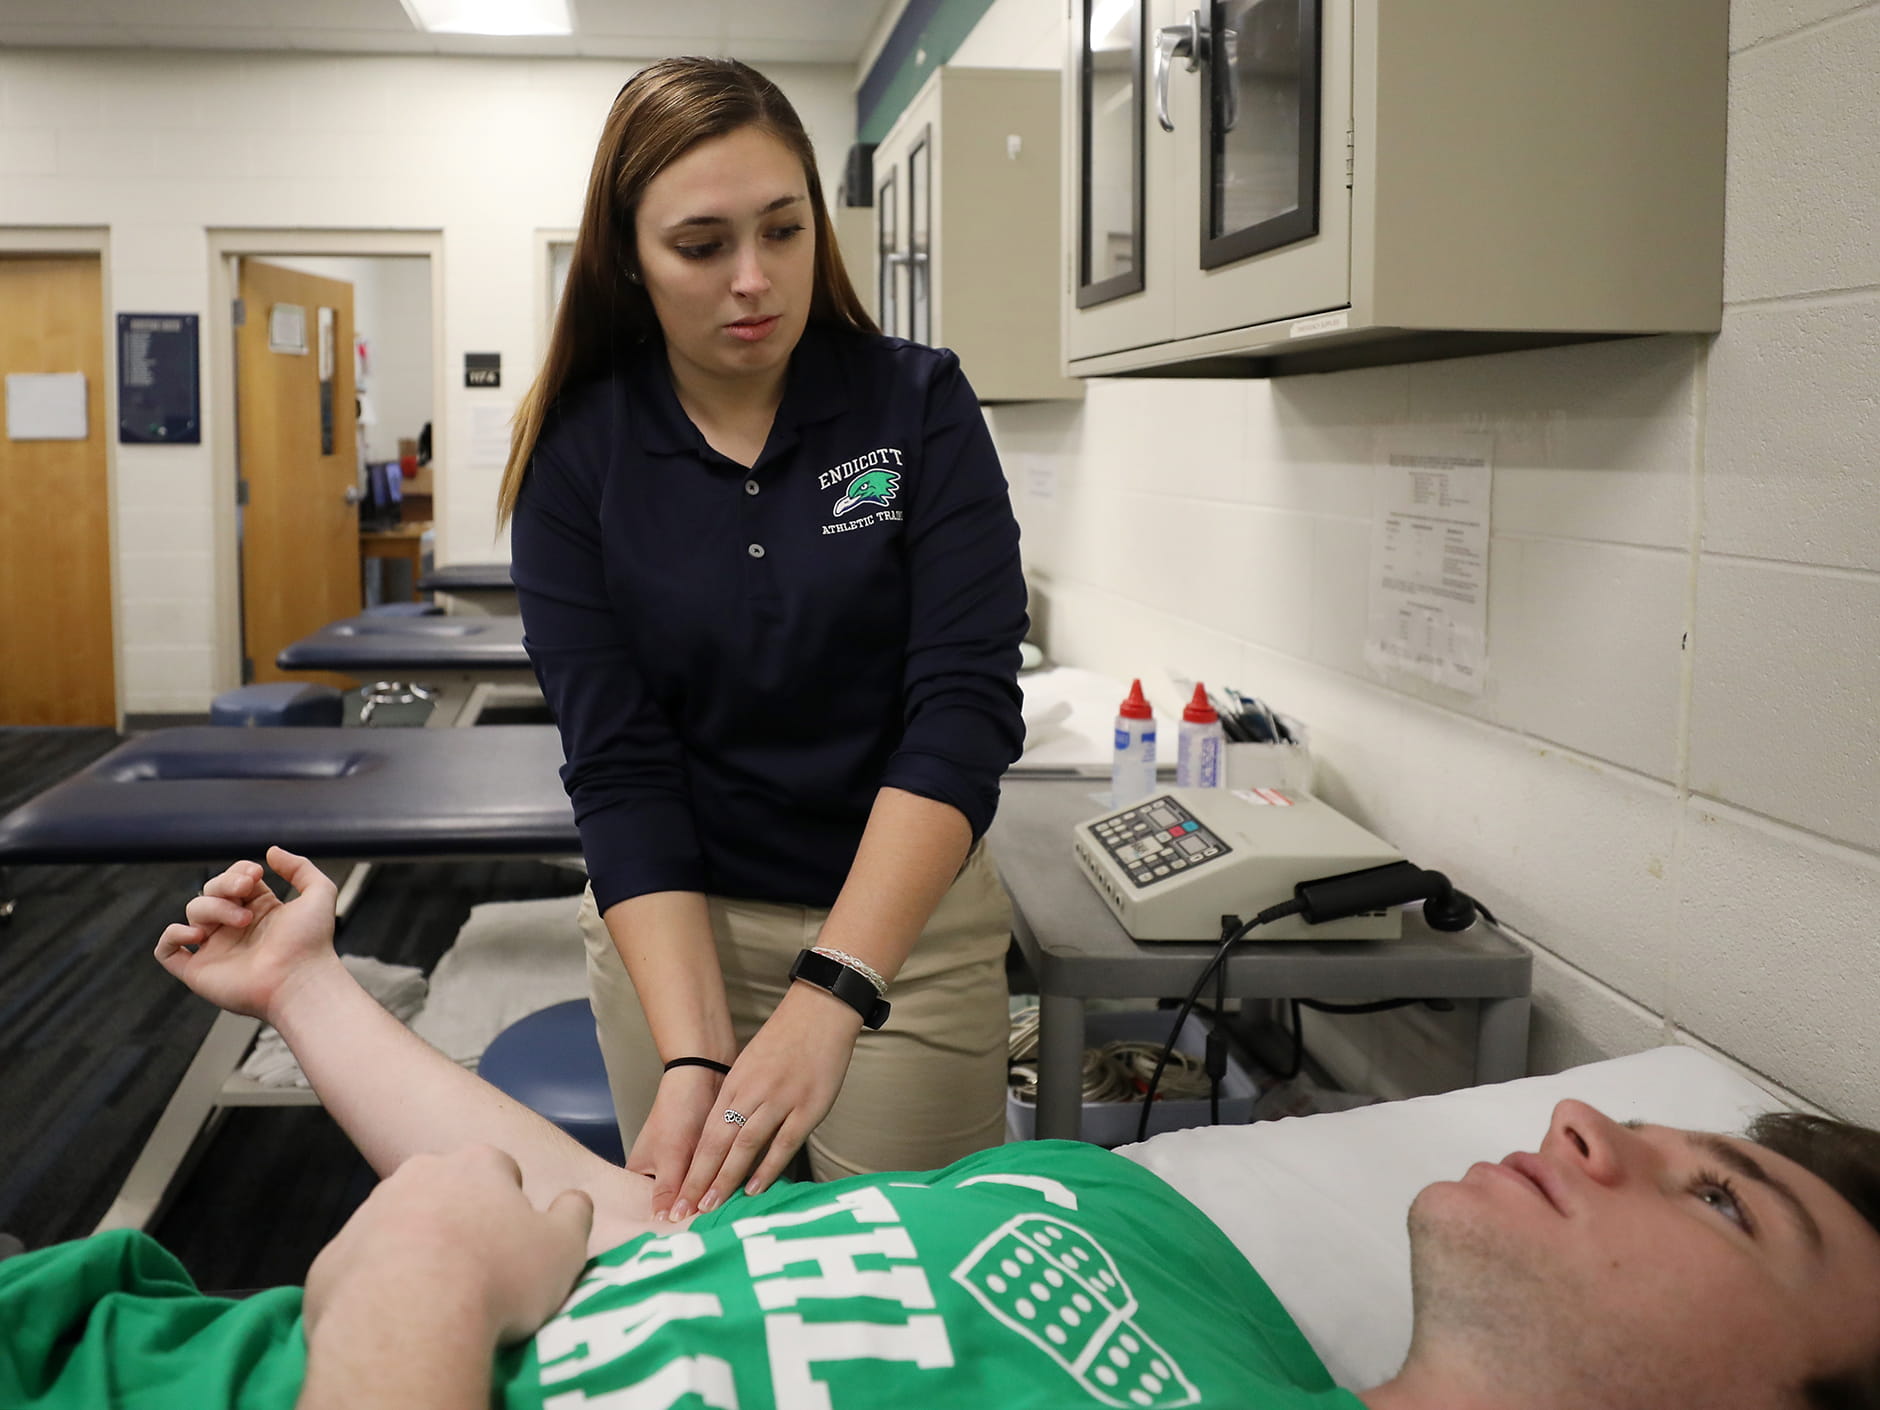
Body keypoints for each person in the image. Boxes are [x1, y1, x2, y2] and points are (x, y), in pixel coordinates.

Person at [7, 854, 1880, 1410]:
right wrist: (313, 995)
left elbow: (474, 1245)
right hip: (92, 1327)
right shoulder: (1123, 1223)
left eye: (1723, 1200)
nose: (1600, 1119)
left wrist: (416, 1283)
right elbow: (629, 1232)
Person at [495, 56, 1028, 1225]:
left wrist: (836, 987)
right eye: (700, 246)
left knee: (917, 1280)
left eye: (783, 231)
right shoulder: (579, 459)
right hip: (681, 935)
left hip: (905, 938)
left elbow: (962, 711)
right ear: (627, 260)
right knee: (703, 1273)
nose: (754, 280)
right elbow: (620, 765)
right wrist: (693, 1056)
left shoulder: (914, 405)